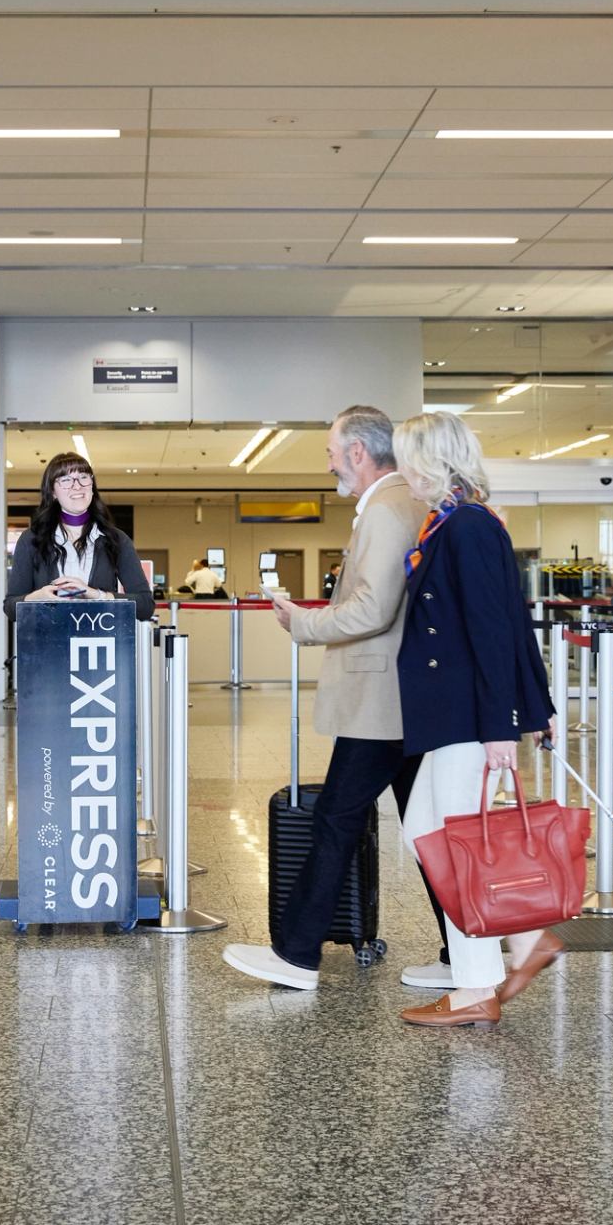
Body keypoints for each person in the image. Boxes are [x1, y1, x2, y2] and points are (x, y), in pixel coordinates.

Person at [221, 405, 449, 991]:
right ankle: (464, 954)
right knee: (426, 828)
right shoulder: (405, 503)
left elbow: (375, 608)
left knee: (335, 822)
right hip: (404, 698)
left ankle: (296, 955)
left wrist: (305, 622)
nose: (328, 464)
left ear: (356, 453)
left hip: (383, 701)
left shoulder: (387, 509)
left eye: (330, 452)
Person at [390, 410, 562, 1030]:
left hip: (469, 716)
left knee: (454, 846)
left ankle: (475, 987)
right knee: (423, 835)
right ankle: (527, 939)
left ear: (431, 458)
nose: (401, 469)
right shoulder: (451, 524)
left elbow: (497, 629)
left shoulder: (467, 526)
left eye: (406, 456)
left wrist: (504, 726)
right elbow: (508, 622)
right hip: (448, 716)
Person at [3, 453, 154, 622]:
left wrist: (95, 595)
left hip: (100, 644)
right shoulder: (32, 539)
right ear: (53, 491)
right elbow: (10, 608)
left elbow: (145, 606)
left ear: (92, 486)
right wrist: (37, 597)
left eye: (83, 477)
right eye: (66, 480)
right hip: (47, 644)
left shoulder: (116, 539)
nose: (77, 486)